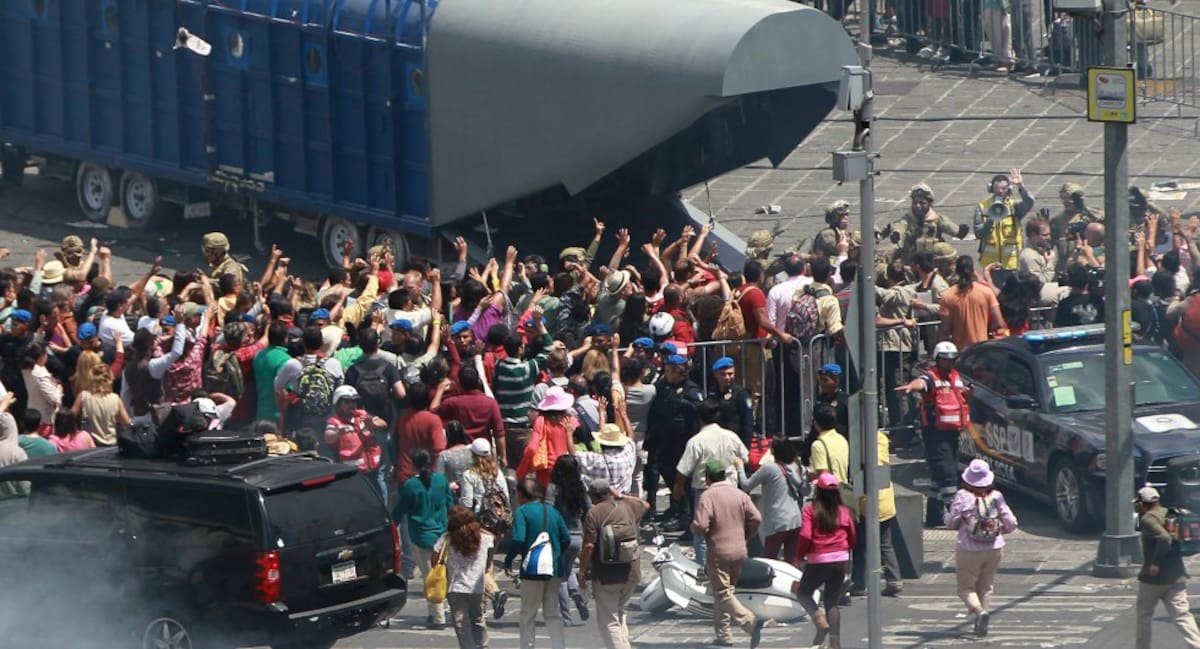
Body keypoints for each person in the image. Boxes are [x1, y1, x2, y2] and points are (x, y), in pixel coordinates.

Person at [691, 459, 765, 648]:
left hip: (718, 552)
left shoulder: (708, 496)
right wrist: (746, 534)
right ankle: (723, 634)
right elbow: (756, 517)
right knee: (727, 592)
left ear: (708, 478)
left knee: (722, 592)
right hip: (739, 550)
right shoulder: (739, 494)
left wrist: (694, 528)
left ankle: (749, 622)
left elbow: (701, 525)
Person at [896, 341, 970, 526]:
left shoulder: (955, 377)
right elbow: (921, 383)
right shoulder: (931, 377)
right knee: (948, 475)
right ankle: (958, 517)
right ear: (938, 360)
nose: (949, 363)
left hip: (952, 434)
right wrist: (910, 387)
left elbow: (962, 392)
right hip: (935, 435)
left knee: (939, 477)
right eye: (945, 360)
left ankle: (933, 517)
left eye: (952, 360)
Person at [945, 460, 1018, 638]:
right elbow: (1012, 523)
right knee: (986, 586)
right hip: (994, 548)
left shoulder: (963, 496)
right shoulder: (997, 496)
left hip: (968, 549)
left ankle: (980, 613)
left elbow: (951, 523)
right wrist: (1001, 530)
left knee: (965, 588)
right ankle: (981, 625)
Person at [675, 399, 749, 568]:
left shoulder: (696, 441)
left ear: (699, 418)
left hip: (704, 492)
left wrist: (677, 488)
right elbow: (744, 458)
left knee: (702, 534)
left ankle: (704, 570)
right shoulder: (731, 437)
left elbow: (683, 470)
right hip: (730, 490)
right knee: (731, 528)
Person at [577, 478, 649, 649]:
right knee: (620, 613)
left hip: (606, 575)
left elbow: (588, 546)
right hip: (631, 571)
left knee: (609, 620)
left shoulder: (594, 513)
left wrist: (582, 572)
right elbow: (645, 505)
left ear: (593, 495)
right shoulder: (627, 506)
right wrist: (621, 496)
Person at [505, 478, 571, 649]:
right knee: (552, 613)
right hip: (554, 569)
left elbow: (518, 540)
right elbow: (566, 538)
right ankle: (559, 645)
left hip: (531, 570)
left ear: (520, 494)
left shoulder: (522, 512)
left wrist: (509, 560)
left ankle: (527, 646)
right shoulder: (553, 511)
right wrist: (555, 554)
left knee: (528, 613)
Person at [792, 472, 857, 649]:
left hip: (818, 559)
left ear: (817, 492)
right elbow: (852, 536)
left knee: (804, 593)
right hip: (840, 560)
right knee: (832, 601)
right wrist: (846, 549)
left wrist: (798, 557)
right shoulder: (844, 512)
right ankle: (835, 641)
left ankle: (820, 623)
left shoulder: (810, 510)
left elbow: (805, 535)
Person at [1132, 485, 1200, 649]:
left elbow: (1164, 538)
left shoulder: (1148, 519)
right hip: (1176, 575)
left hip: (1153, 580)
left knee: (1144, 615)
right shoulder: (1170, 513)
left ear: (1142, 504)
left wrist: (1155, 563)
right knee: (1182, 615)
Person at [394, 448, 454, 630]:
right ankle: (440, 611)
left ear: (413, 463)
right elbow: (450, 504)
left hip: (422, 536)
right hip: (443, 534)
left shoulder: (410, 485)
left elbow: (399, 512)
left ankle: (438, 617)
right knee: (445, 574)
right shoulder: (441, 481)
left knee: (431, 577)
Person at [735, 437, 805, 567]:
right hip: (795, 519)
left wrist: (739, 468)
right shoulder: (795, 466)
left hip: (778, 521)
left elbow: (746, 485)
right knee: (793, 561)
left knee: (770, 560)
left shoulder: (769, 468)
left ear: (773, 451)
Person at [849, 429, 903, 597]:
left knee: (860, 546)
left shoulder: (861, 440)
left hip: (868, 501)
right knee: (885, 543)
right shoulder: (880, 438)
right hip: (885, 497)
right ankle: (894, 579)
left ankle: (858, 583)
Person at [435, 505, 497, 649]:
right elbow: (489, 558)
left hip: (455, 587)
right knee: (478, 619)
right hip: (477, 587)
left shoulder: (447, 538)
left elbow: (435, 557)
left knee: (461, 623)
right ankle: (483, 645)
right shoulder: (486, 538)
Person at [545, 454, 591, 625]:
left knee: (559, 577)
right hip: (577, 536)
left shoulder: (553, 488)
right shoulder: (581, 487)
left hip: (560, 536)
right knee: (569, 568)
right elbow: (589, 510)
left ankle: (566, 617)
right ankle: (576, 593)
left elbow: (548, 511)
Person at [324, 385, 388, 504]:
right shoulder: (334, 422)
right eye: (347, 401)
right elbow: (328, 437)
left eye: (354, 401)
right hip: (354, 474)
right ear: (338, 403)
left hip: (374, 468)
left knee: (380, 497)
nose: (351, 405)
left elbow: (383, 423)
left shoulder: (362, 414)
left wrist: (373, 424)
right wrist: (339, 432)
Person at [939, 256, 1004, 350]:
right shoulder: (986, 292)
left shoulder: (947, 295)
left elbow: (945, 329)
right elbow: (999, 322)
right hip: (981, 347)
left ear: (957, 271)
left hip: (960, 350)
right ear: (973, 270)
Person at [517, 386, 576, 487]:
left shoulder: (541, 420)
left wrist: (522, 470)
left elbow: (532, 448)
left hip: (547, 469)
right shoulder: (571, 420)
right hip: (566, 466)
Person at [71, 362, 131, 446]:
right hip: (111, 446)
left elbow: (70, 418)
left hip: (89, 446)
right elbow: (127, 423)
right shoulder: (116, 399)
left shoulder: (83, 396)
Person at [574, 423, 638, 495]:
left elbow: (574, 455)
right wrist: (623, 414)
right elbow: (631, 436)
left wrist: (568, 433)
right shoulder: (628, 452)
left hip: (605, 501)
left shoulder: (597, 460)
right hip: (625, 497)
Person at [706, 357, 754, 445]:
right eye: (723, 374)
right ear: (715, 374)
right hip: (716, 441)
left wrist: (745, 448)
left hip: (734, 442)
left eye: (730, 374)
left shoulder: (741, 394)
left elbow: (747, 424)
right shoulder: (712, 392)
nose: (727, 377)